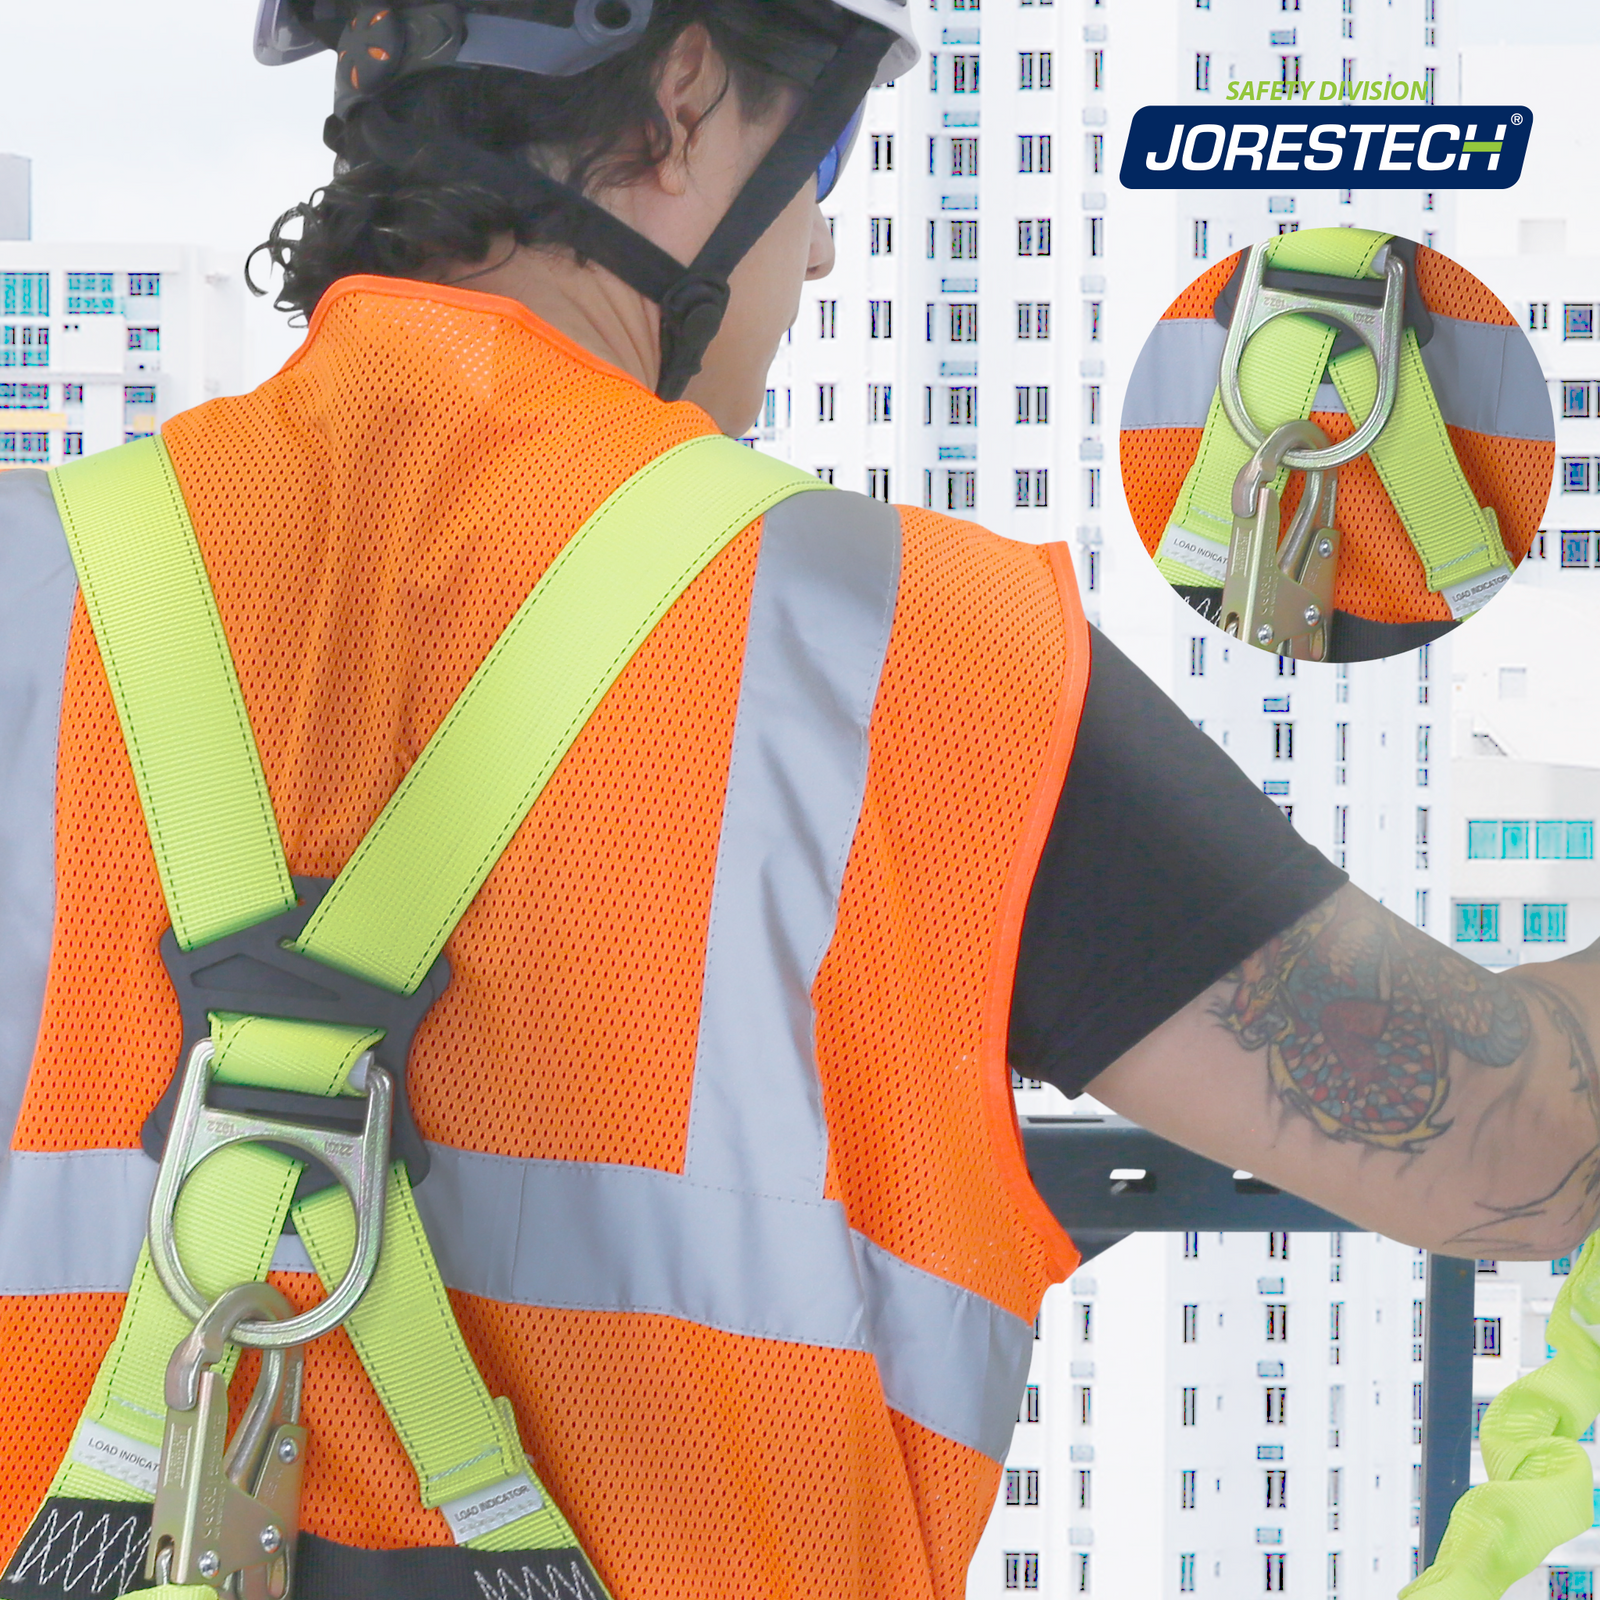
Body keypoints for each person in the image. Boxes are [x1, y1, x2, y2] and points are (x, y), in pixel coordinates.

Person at [0, 2, 1597, 1596]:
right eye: (822, 156)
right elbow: (1502, 1148)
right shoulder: (891, 645)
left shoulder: (24, 592)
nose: (819, 249)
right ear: (683, 93)